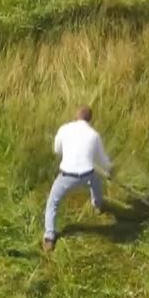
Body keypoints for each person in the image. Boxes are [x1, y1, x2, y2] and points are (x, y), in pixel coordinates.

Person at [42, 106, 112, 252]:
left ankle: (49, 237)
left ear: (76, 115)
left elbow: (57, 150)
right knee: (96, 183)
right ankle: (98, 205)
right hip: (87, 174)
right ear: (90, 119)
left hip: (67, 175)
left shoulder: (64, 129)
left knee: (52, 203)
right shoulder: (94, 135)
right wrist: (110, 169)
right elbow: (103, 160)